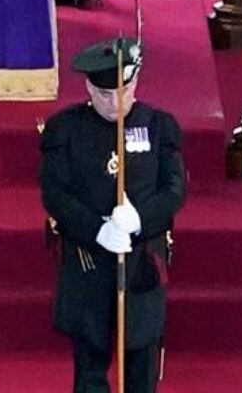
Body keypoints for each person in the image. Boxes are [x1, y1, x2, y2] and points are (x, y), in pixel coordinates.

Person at [39, 35, 185, 391]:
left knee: (141, 366)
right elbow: (55, 193)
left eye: (124, 90)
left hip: (141, 262)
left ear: (135, 83)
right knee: (90, 368)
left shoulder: (158, 126)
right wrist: (96, 229)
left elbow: (175, 189)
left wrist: (140, 219)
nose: (115, 102)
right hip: (88, 259)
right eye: (105, 94)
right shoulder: (65, 130)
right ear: (89, 87)